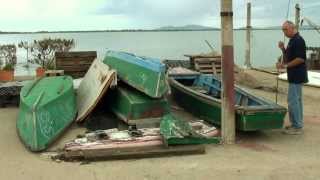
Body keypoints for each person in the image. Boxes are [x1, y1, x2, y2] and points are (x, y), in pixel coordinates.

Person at [277, 20, 308, 135]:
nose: (284, 32)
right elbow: (289, 57)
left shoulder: (298, 41)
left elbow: (300, 58)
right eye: (283, 30)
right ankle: (297, 123)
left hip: (297, 75)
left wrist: (284, 66)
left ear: (292, 28)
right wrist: (282, 49)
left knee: (293, 100)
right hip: (294, 75)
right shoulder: (292, 41)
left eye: (285, 29)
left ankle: (297, 126)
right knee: (296, 100)